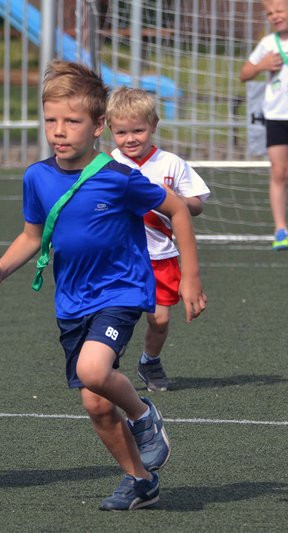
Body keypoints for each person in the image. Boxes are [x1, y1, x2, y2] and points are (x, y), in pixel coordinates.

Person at [0, 61, 207, 510]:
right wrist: (2, 268)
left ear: (98, 126)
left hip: (119, 292)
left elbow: (178, 210)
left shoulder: (119, 177)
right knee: (96, 403)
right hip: (72, 301)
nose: (59, 131)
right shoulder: (37, 177)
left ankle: (144, 415)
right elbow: (31, 235)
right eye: (51, 120)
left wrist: (191, 278)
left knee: (94, 372)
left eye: (72, 121)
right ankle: (139, 480)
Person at [106, 87, 211, 392]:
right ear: (110, 129)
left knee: (160, 320)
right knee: (114, 313)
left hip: (161, 257)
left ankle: (149, 361)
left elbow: (197, 204)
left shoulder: (170, 164)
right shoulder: (106, 164)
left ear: (153, 125)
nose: (130, 138)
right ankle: (104, 355)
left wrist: (174, 201)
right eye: (122, 132)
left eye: (138, 130)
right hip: (120, 257)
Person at [240, 0, 288, 250]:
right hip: (277, 117)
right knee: (279, 172)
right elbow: (244, 73)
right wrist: (262, 65)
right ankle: (281, 229)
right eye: (270, 13)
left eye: (279, 11)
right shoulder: (268, 44)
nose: (274, 16)